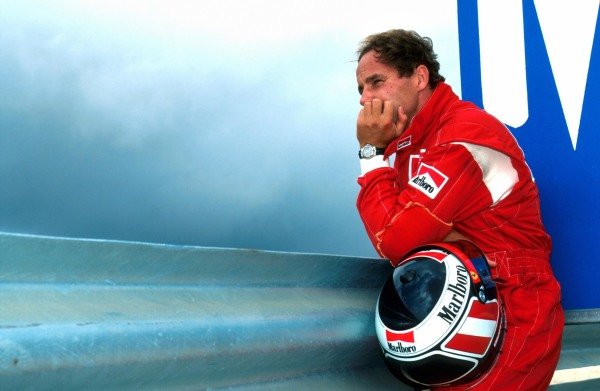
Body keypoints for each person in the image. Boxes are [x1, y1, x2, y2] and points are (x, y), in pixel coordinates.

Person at [354, 29, 564, 390]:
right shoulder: (410, 144)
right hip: (454, 303)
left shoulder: (462, 134)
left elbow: (396, 240)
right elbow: (402, 238)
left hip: (513, 303)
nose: (366, 99)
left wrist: (371, 154)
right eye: (361, 90)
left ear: (419, 77)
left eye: (376, 82)